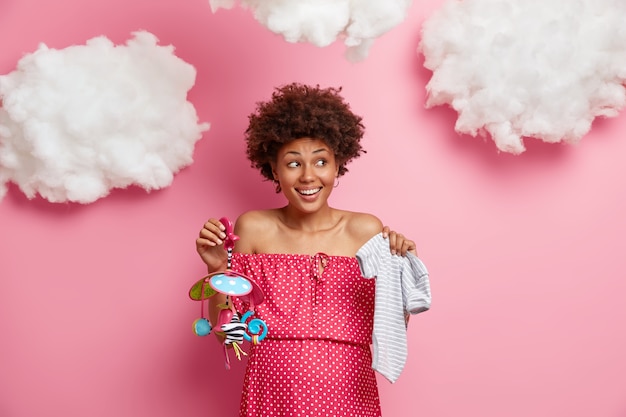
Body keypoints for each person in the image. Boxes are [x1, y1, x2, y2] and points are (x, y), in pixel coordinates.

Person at [196, 82, 422, 417]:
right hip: (271, 395)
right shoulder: (254, 229)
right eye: (292, 164)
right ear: (274, 170)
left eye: (320, 162)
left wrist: (403, 272)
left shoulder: (366, 230)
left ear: (337, 166)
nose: (307, 176)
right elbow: (229, 338)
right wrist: (217, 270)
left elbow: (390, 327)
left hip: (349, 396)